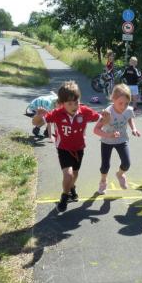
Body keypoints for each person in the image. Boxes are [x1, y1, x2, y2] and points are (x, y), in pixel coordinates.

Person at [33, 80, 101, 212]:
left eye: (76, 102)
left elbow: (101, 118)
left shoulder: (84, 111)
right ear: (62, 103)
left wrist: (107, 117)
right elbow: (36, 123)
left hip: (79, 148)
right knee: (68, 175)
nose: (74, 106)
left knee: (75, 173)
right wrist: (38, 116)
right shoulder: (57, 113)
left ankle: (72, 187)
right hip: (63, 148)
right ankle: (64, 197)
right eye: (69, 103)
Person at [93, 84, 140, 194]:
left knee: (126, 163)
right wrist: (109, 135)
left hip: (122, 140)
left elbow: (129, 118)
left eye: (126, 103)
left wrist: (134, 128)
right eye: (120, 103)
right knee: (105, 166)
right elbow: (96, 130)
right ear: (113, 99)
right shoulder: (107, 113)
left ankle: (120, 174)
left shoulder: (128, 110)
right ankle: (103, 181)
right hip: (107, 141)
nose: (123, 106)